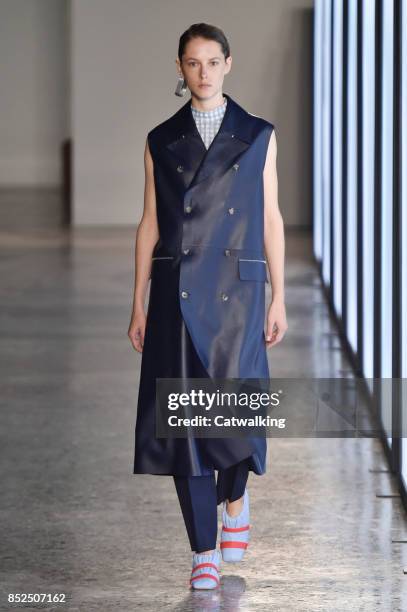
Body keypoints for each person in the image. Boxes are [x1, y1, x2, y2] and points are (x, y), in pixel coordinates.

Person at [128, 22, 287, 590]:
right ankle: (203, 549)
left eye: (212, 62)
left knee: (239, 416)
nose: (203, 72)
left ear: (228, 64)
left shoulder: (258, 134)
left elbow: (271, 218)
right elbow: (149, 224)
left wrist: (280, 296)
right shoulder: (160, 139)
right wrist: (138, 302)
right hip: (179, 292)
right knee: (188, 426)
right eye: (193, 63)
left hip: (240, 293)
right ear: (180, 67)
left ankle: (235, 497)